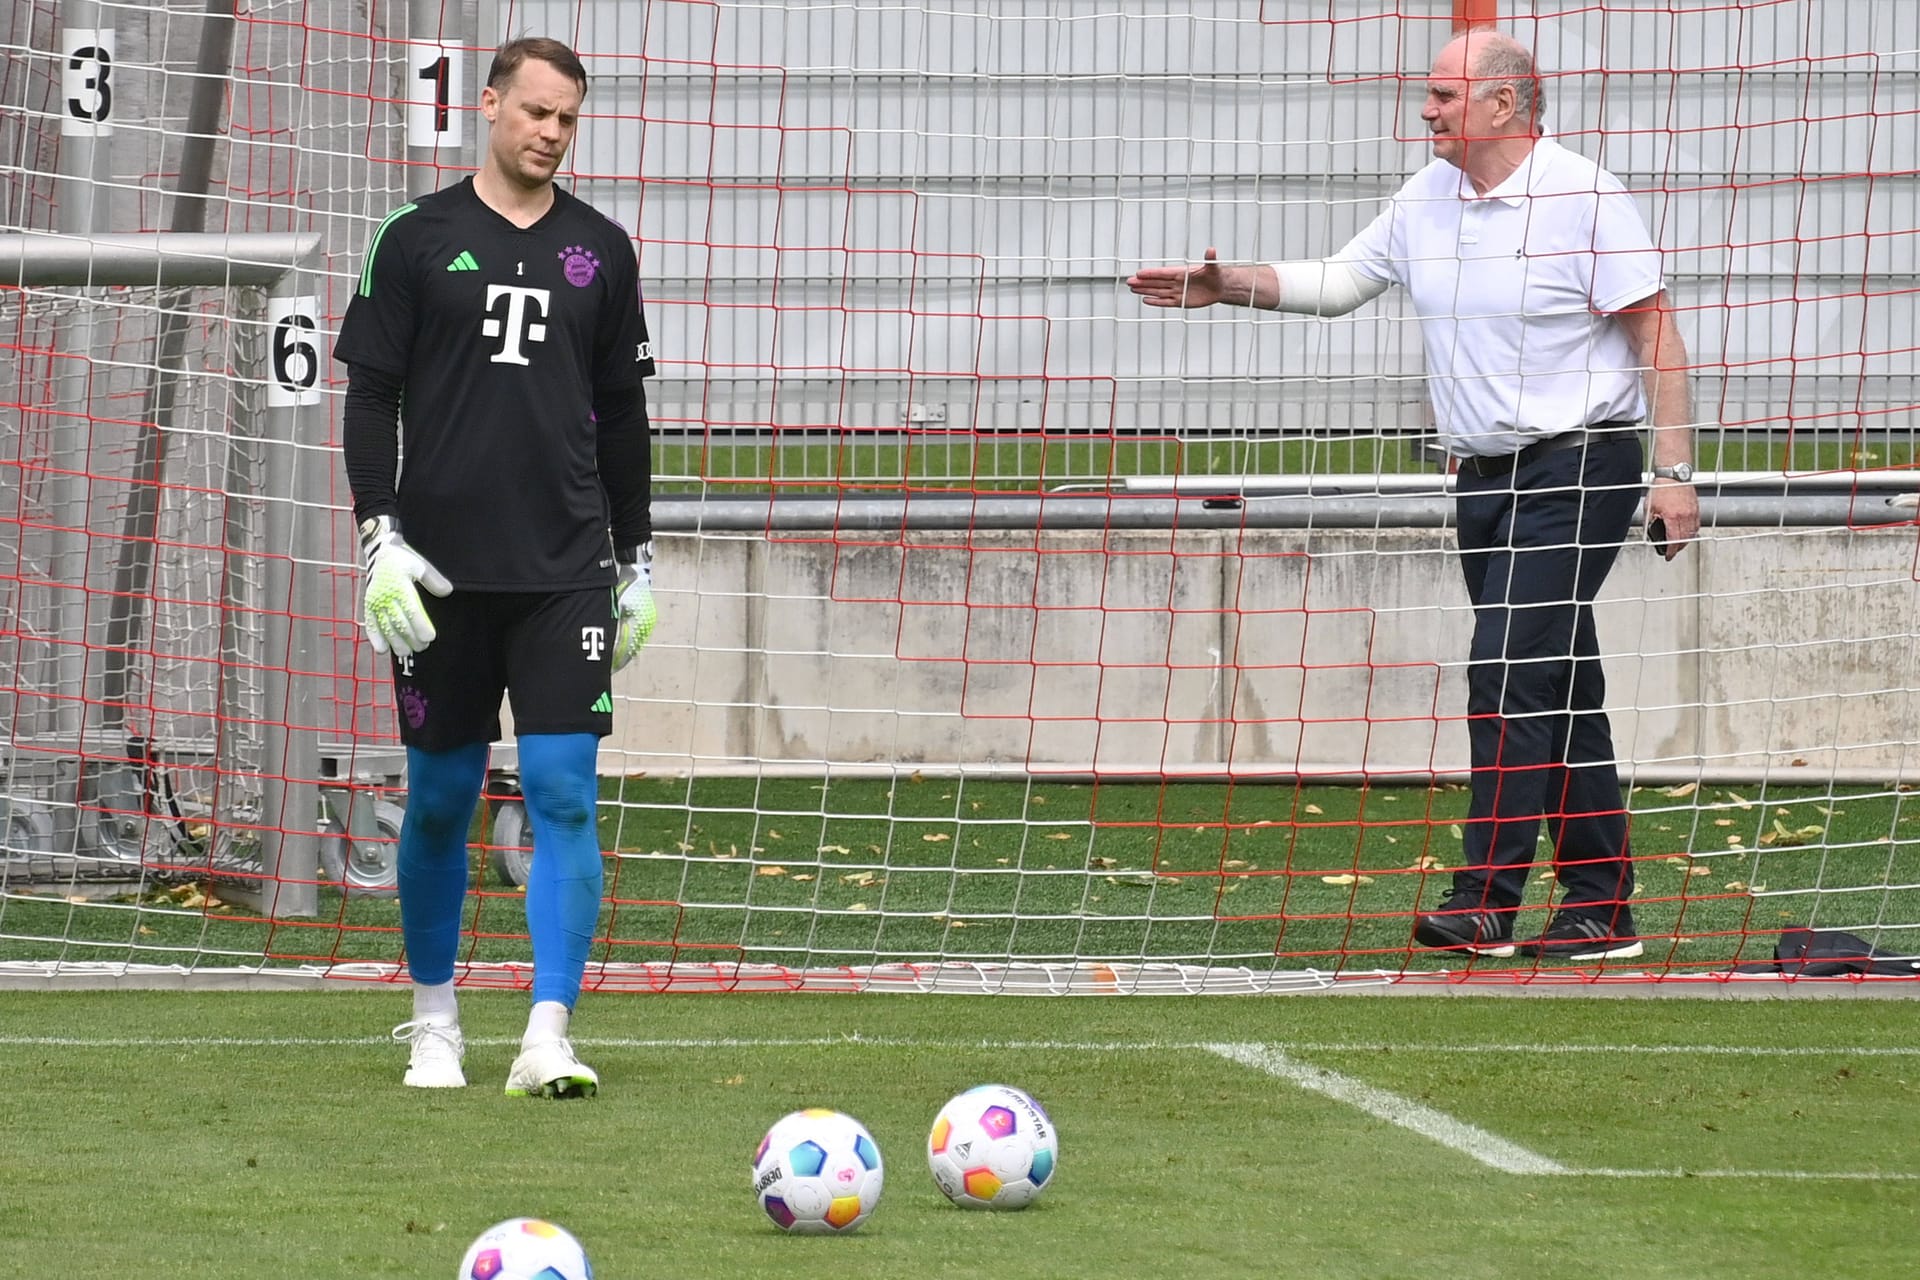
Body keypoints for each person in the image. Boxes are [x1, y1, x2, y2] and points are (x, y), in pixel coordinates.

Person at [1128, 29, 1700, 962]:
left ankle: (1485, 901)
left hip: (1582, 466)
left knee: (1507, 672)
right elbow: (1343, 280)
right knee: (1557, 684)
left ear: (1505, 104)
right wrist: (1229, 285)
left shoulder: (1584, 195)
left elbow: (1655, 335)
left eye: (1441, 94)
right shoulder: (1428, 195)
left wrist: (1674, 477)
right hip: (1482, 480)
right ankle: (1602, 905)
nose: (1426, 110)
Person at [334, 36, 658, 1093]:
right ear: (490, 104)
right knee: (439, 799)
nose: (552, 135)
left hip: (565, 567)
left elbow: (622, 413)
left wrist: (638, 552)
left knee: (564, 791)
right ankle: (435, 1021)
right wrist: (377, 532)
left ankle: (547, 1033)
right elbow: (370, 395)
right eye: (536, 113)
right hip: (440, 576)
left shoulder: (604, 250)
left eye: (568, 118)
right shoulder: (415, 237)